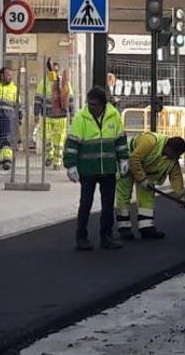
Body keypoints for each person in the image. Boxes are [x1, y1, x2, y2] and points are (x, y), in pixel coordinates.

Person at [64, 86, 129, 251]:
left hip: (107, 169)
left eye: (94, 104)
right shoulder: (81, 117)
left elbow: (120, 140)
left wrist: (123, 159)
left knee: (108, 205)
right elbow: (72, 143)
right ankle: (81, 237)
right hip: (88, 170)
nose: (91, 107)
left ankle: (106, 236)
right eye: (89, 103)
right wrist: (70, 165)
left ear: (103, 104)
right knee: (85, 203)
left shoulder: (114, 116)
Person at [115, 133, 185, 240]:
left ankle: (146, 227)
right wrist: (142, 179)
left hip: (145, 170)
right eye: (175, 155)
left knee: (147, 197)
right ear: (169, 149)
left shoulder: (171, 159)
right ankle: (124, 228)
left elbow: (176, 176)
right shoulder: (150, 141)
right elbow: (134, 159)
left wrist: (180, 195)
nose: (175, 158)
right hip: (128, 162)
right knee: (124, 195)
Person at [34, 60, 74, 169]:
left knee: (59, 141)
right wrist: (36, 114)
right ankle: (50, 155)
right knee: (46, 138)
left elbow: (70, 99)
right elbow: (38, 99)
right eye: (52, 69)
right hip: (47, 115)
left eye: (56, 70)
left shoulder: (64, 82)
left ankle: (57, 162)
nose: (54, 72)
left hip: (61, 116)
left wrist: (72, 114)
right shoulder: (44, 82)